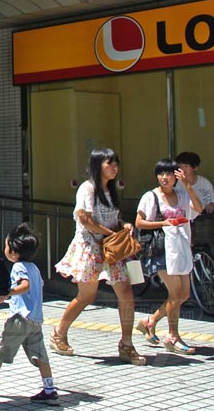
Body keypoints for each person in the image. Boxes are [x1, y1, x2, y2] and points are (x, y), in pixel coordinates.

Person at [51, 147, 145, 365]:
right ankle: (59, 332)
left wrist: (124, 225)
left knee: (126, 292)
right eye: (109, 163)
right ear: (97, 166)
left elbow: (114, 218)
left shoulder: (111, 189)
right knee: (86, 296)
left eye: (116, 163)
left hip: (113, 248)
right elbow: (84, 218)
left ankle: (127, 344)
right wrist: (112, 232)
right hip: (91, 246)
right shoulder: (87, 188)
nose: (114, 168)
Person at [135, 159, 204, 354]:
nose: (164, 178)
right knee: (176, 294)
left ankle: (150, 321)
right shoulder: (150, 197)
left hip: (181, 248)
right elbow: (139, 222)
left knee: (184, 294)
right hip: (162, 250)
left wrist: (188, 186)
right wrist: (164, 223)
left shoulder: (182, 194)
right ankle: (173, 336)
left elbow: (198, 209)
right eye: (160, 174)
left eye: (169, 174)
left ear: (177, 176)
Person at [0, 223, 58, 404]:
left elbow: (25, 287)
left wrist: (7, 292)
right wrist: (8, 298)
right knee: (40, 354)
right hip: (35, 320)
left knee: (2, 349)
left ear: (14, 252)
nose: (5, 249)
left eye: (7, 245)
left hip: (20, 319)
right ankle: (49, 389)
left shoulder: (18, 267)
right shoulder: (35, 268)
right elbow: (33, 291)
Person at [175, 151, 214, 251]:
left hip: (203, 223)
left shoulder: (205, 183)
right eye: (180, 166)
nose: (182, 169)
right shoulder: (176, 184)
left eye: (186, 166)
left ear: (195, 168)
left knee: (209, 247)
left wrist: (212, 206)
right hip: (184, 222)